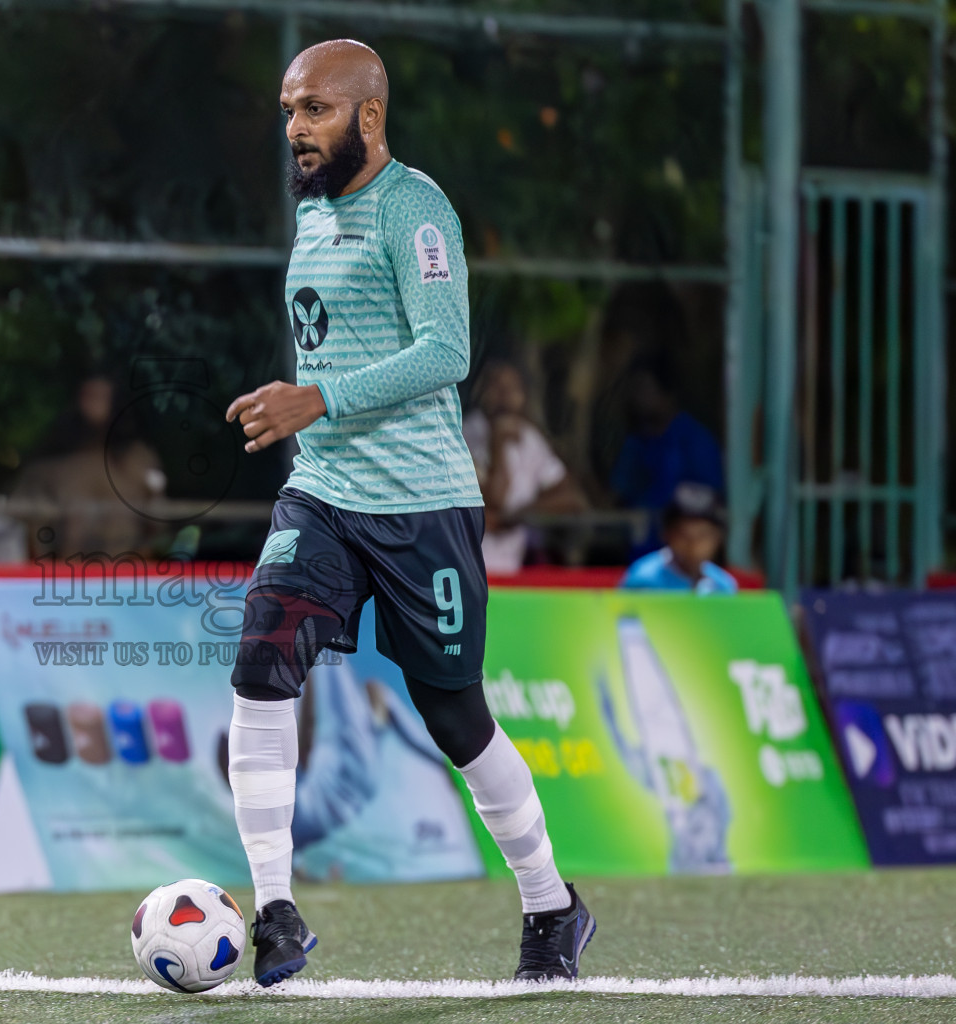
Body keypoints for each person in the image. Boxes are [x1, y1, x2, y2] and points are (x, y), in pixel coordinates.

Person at [222, 39, 594, 988]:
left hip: (424, 505)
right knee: (262, 662)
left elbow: (447, 351)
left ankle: (553, 904)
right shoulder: (311, 215)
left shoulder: (415, 208)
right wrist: (312, 417)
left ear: (369, 116)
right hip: (324, 498)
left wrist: (317, 397)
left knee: (455, 715)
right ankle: (273, 911)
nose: (297, 129)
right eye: (288, 111)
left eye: (314, 110)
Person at [11, 374, 167, 558]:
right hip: (70, 573)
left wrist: (143, 565)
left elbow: (158, 522)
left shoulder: (138, 459)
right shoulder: (54, 462)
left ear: (116, 401)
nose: (92, 404)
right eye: (87, 396)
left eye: (101, 396)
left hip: (125, 573)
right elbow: (27, 522)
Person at [462, 361, 587, 574]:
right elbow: (495, 500)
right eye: (496, 387)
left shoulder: (530, 438)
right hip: (469, 567)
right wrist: (498, 444)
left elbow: (571, 499)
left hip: (512, 571)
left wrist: (521, 514)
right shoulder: (467, 433)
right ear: (481, 392)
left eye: (512, 388)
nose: (504, 395)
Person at [610, 359, 724, 554]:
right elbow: (619, 494)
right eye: (634, 390)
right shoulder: (636, 442)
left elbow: (712, 498)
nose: (637, 398)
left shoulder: (694, 440)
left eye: (644, 389)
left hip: (686, 554)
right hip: (637, 552)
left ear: (667, 395)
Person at [620, 484, 738, 595]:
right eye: (684, 536)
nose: (693, 545)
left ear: (718, 539)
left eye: (702, 536)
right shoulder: (643, 582)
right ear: (666, 535)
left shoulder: (723, 586)